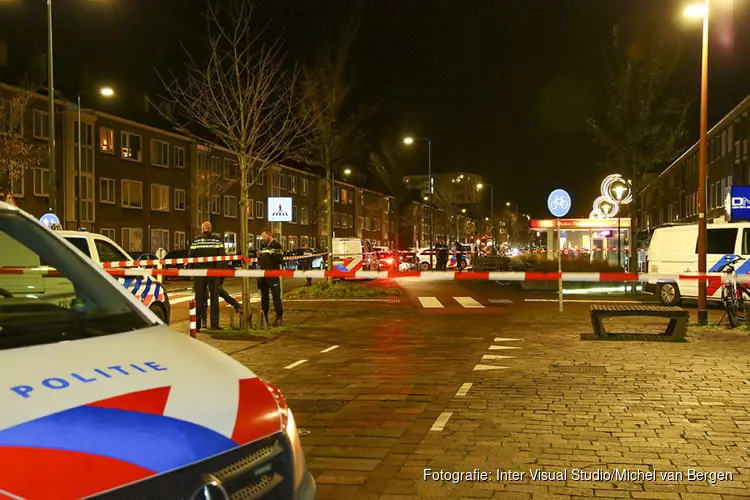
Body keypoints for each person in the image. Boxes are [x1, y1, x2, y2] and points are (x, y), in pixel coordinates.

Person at [188, 221, 225, 331]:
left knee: (199, 298)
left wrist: (191, 271)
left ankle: (197, 325)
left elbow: (190, 256)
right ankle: (215, 324)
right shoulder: (217, 240)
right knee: (214, 298)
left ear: (202, 229)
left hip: (199, 272)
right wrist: (220, 272)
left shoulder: (196, 241)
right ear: (211, 229)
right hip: (213, 272)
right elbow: (223, 257)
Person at [257, 229, 284, 326]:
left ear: (269, 235)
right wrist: (259, 256)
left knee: (276, 297)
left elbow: (280, 260)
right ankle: (264, 318)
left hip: (273, 275)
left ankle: (279, 317)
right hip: (263, 275)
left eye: (264, 236)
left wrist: (272, 254)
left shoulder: (276, 245)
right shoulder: (264, 246)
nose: (262, 238)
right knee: (264, 297)